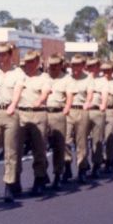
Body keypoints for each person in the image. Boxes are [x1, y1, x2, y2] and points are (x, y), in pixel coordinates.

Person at [0, 44, 24, 202]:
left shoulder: (18, 73)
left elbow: (18, 91)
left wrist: (13, 105)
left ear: (10, 55)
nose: (0, 58)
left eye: (3, 55)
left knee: (10, 152)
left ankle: (9, 185)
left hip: (10, 113)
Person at [16, 51, 51, 195]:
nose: (28, 65)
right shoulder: (20, 77)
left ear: (37, 62)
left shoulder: (44, 77)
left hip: (38, 114)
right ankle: (15, 179)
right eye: (26, 62)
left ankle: (39, 178)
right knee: (16, 149)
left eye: (31, 62)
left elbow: (46, 92)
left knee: (39, 148)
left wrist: (40, 101)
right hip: (21, 114)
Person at [64, 56, 93, 183]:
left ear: (82, 65)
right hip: (68, 111)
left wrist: (87, 102)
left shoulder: (88, 78)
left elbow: (90, 94)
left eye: (78, 64)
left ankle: (82, 169)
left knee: (81, 142)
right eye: (73, 65)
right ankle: (67, 165)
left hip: (81, 110)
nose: (75, 67)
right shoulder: (67, 78)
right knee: (66, 140)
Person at [44, 56, 69, 189]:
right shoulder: (44, 77)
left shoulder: (66, 79)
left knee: (59, 147)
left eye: (55, 65)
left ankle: (58, 174)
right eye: (51, 65)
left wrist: (65, 110)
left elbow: (69, 97)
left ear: (61, 65)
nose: (52, 68)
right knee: (40, 146)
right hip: (43, 113)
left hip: (58, 113)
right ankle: (42, 173)